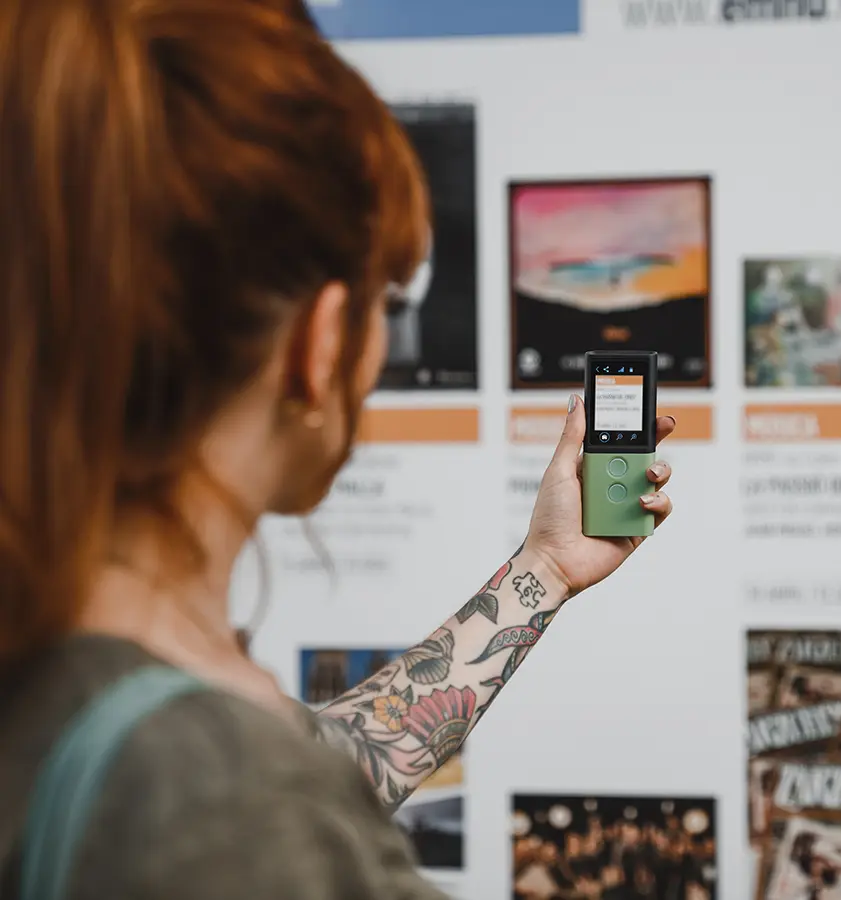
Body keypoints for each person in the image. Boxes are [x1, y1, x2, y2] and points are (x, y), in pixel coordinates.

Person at [0, 0, 677, 896]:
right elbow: (266, 800)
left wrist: (544, 569)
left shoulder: (82, 678)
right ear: (319, 345)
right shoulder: (216, 795)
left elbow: (320, 763)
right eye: (382, 301)